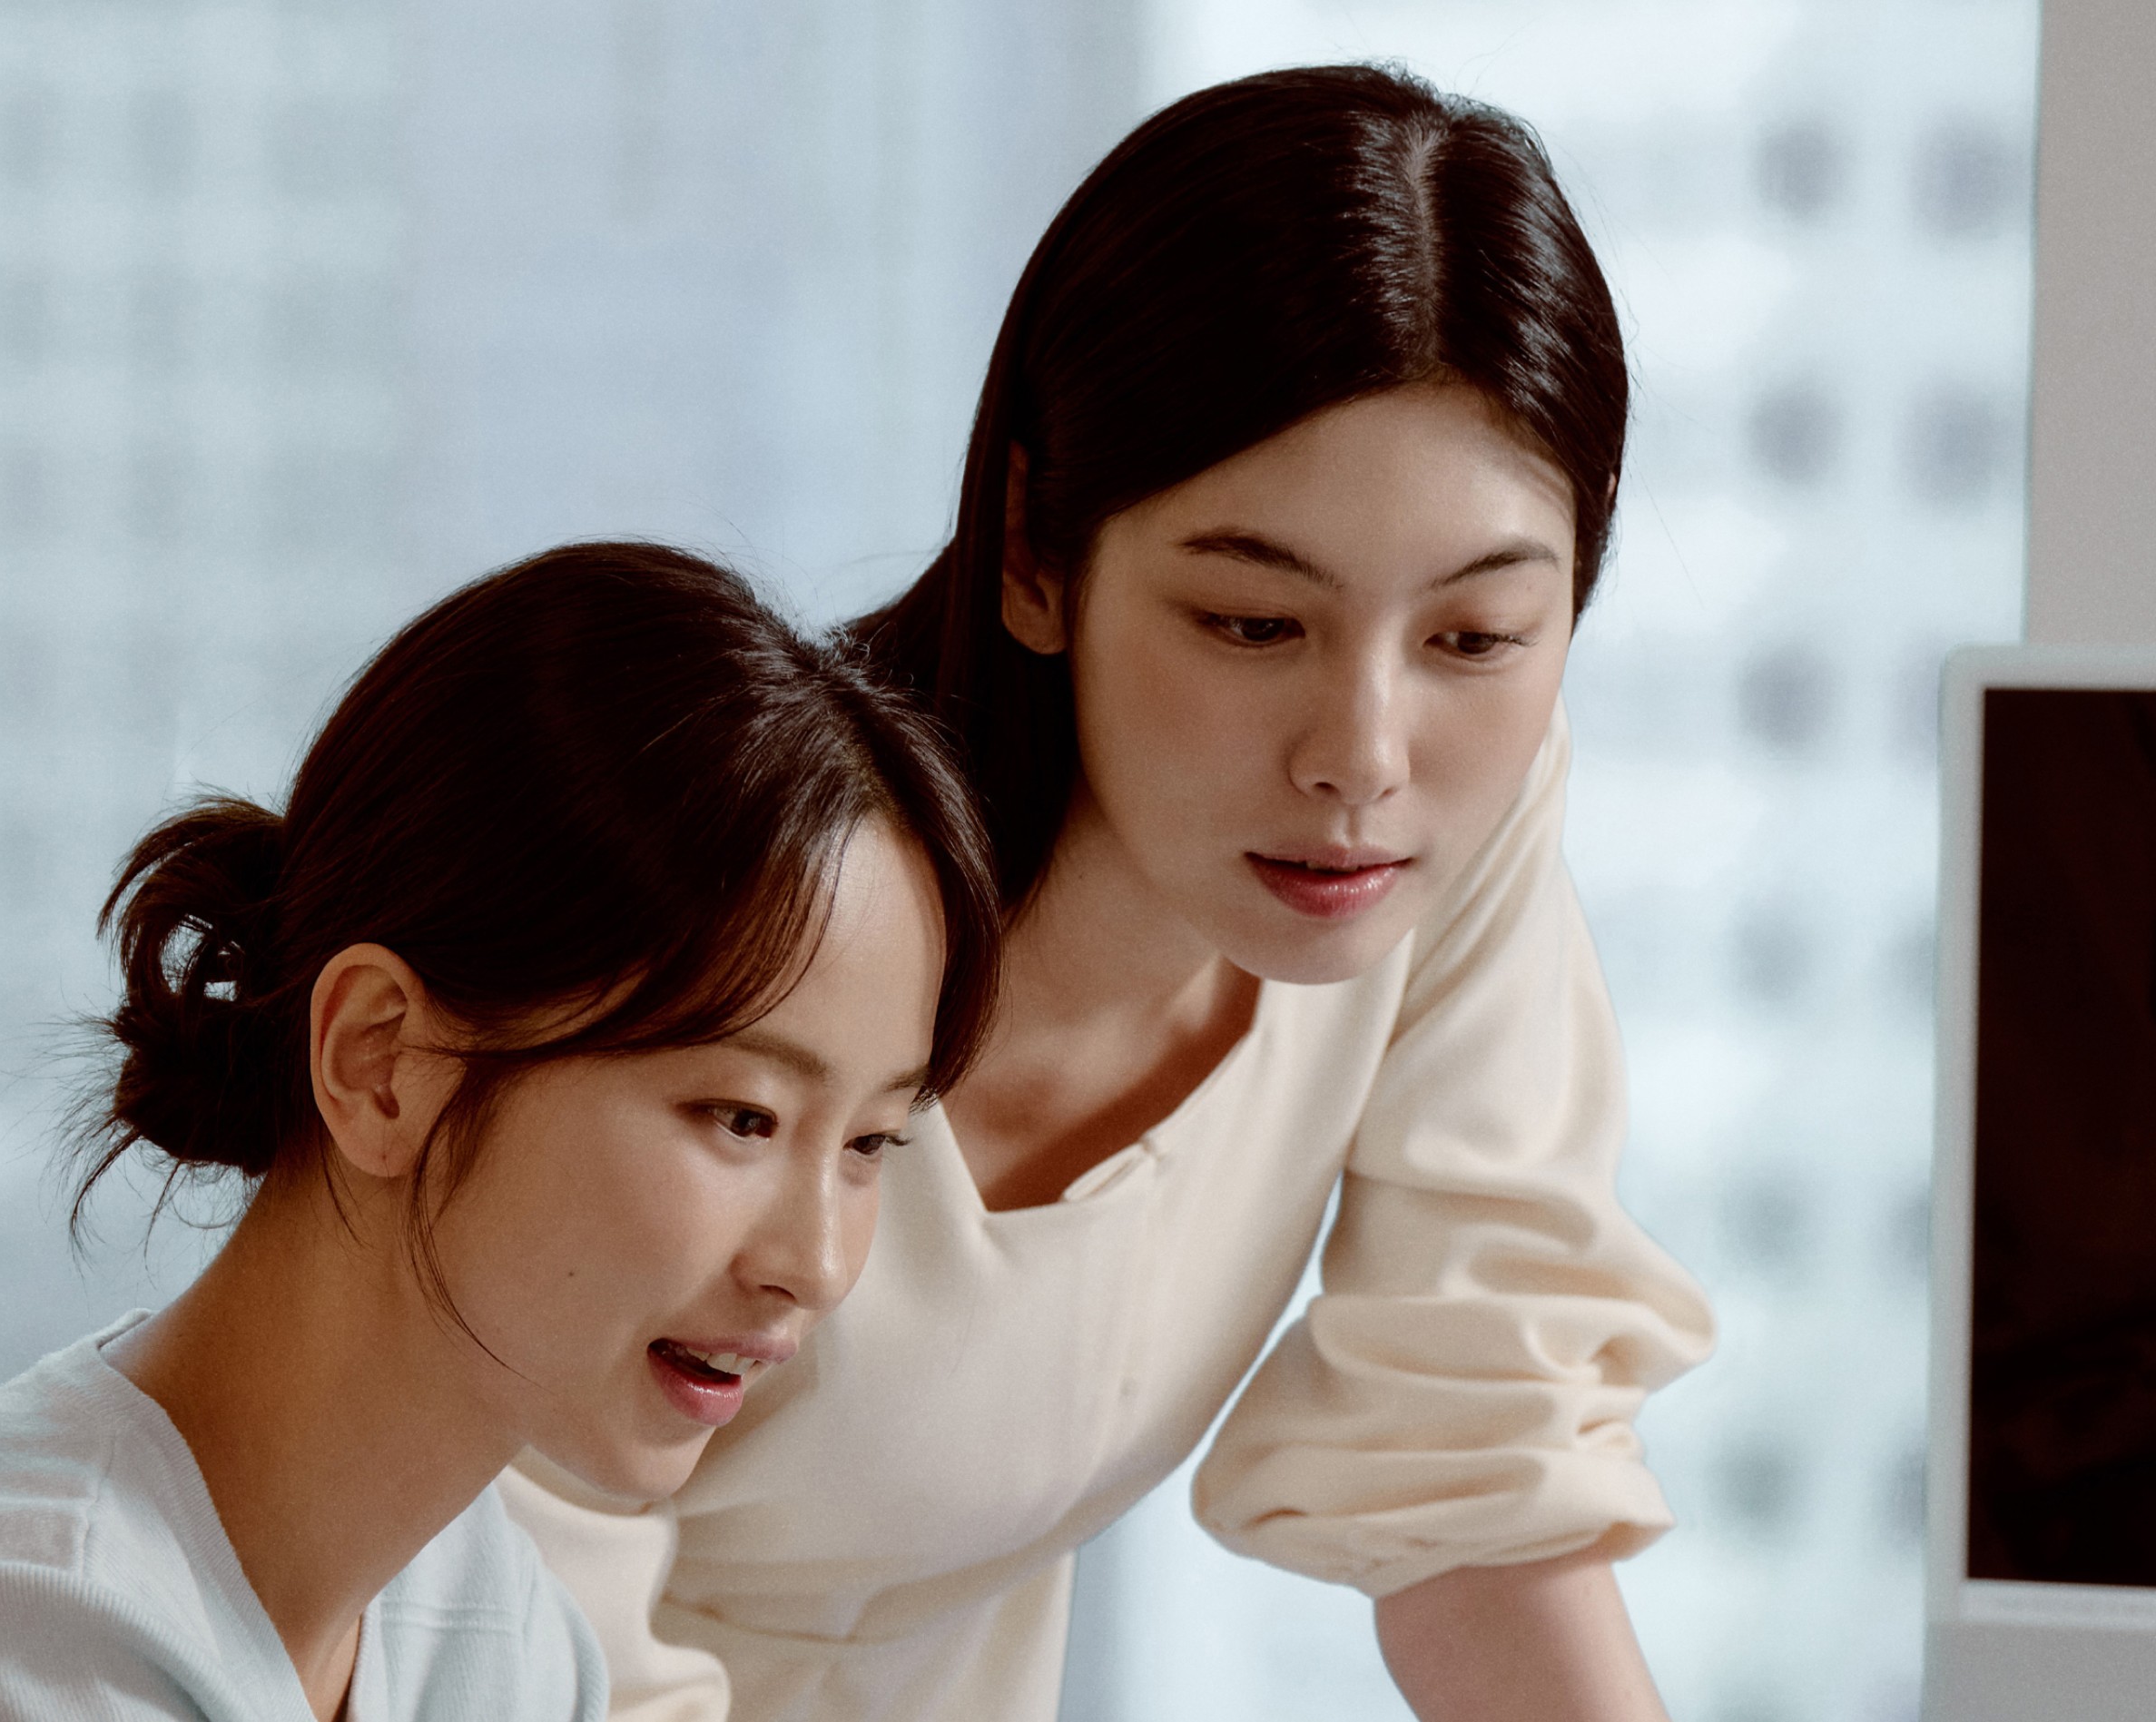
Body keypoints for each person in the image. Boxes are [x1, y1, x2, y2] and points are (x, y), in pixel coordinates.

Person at [499, 66, 1718, 1722]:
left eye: (1476, 636)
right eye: (1250, 622)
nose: (1361, 754)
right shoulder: (727, 912)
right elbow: (499, 1605)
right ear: (1034, 548)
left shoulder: (1436, 848)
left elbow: (1483, 1493)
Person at [0, 544, 1003, 1722]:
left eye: (872, 1143)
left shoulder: (495, 1635)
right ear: (383, 1060)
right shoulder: (2, 1661)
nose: (818, 1262)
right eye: (742, 1115)